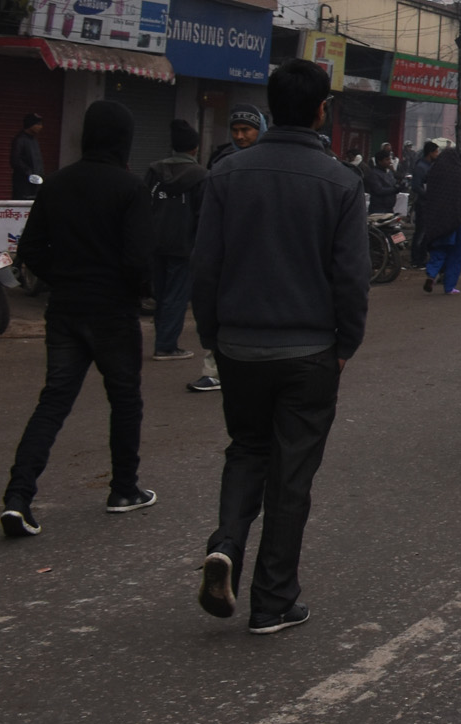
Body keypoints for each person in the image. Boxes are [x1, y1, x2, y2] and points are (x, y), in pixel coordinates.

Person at [190, 59, 366, 632]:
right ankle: (272, 600)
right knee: (291, 474)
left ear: (269, 107)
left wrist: (213, 334)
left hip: (240, 345)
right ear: (321, 110)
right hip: (310, 350)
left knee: (246, 449)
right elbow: (350, 278)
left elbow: (205, 268)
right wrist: (346, 341)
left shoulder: (226, 174)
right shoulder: (341, 182)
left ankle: (226, 544)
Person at [0, 101, 155, 539]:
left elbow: (30, 251)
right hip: (112, 313)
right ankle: (123, 489)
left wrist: (63, 277)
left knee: (53, 402)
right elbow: (139, 260)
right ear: (123, 139)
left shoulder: (57, 184)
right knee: (125, 400)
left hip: (65, 310)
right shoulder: (130, 188)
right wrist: (136, 291)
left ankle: (18, 498)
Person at [189, 110, 265, 395]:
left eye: (247, 130)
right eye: (236, 130)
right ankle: (213, 369)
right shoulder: (222, 162)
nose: (240, 136)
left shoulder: (267, 162)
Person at [143, 120, 208, 361]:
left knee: (161, 294)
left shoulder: (154, 171)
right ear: (194, 149)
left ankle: (163, 340)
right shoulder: (201, 175)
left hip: (155, 244)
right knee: (176, 296)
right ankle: (166, 346)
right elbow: (203, 214)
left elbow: (143, 205)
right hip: (184, 246)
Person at [416, 143, 461, 295]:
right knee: (455, 254)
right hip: (456, 220)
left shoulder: (434, 171)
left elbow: (427, 192)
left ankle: (431, 274)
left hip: (437, 220)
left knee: (438, 250)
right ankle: (449, 286)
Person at [10, 110, 46, 199]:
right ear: (30, 125)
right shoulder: (20, 140)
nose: (40, 127)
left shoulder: (34, 141)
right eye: (38, 124)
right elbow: (15, 160)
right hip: (24, 184)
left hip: (36, 183)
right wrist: (29, 173)